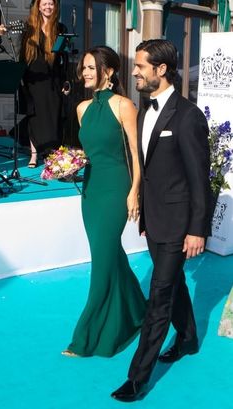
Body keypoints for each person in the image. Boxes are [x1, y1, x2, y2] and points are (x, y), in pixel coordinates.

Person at [111, 39, 212, 402]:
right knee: (174, 284)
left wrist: (197, 229)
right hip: (154, 219)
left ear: (161, 70)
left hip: (179, 222)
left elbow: (200, 179)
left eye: (140, 66)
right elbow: (151, 169)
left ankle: (137, 378)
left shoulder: (188, 117)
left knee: (158, 297)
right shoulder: (145, 111)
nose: (134, 72)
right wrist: (144, 212)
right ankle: (186, 339)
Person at [62, 45, 146, 358]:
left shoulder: (124, 106)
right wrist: (68, 164)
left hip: (116, 188)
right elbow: (91, 151)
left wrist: (135, 191)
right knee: (110, 254)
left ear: (107, 71)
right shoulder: (82, 109)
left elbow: (136, 154)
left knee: (103, 257)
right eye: (82, 67)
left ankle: (86, 336)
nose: (83, 72)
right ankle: (137, 310)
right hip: (91, 189)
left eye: (89, 67)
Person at [20, 0, 68, 167]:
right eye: (45, 3)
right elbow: (22, 55)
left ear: (55, 6)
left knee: (54, 115)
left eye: (51, 4)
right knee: (35, 115)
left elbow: (65, 58)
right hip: (33, 78)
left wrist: (66, 80)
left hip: (53, 77)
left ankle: (52, 155)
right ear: (38, 6)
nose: (48, 7)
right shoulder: (29, 27)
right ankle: (34, 154)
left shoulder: (60, 29)